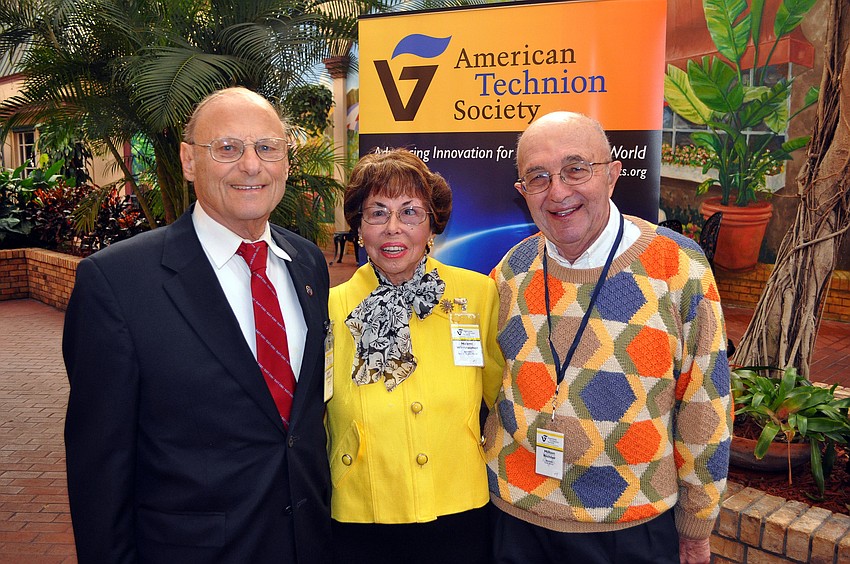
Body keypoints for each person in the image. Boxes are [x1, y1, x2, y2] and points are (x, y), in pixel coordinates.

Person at [63, 87, 332, 563]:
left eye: (267, 147)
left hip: (307, 543)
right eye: (227, 148)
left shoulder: (307, 263)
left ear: (286, 161)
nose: (252, 166)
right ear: (189, 161)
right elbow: (99, 469)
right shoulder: (117, 282)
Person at [485, 111, 732, 564]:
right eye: (538, 177)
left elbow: (705, 406)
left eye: (576, 169)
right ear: (523, 192)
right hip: (515, 522)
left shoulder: (678, 267)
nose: (558, 191)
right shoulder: (510, 272)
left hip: (632, 530)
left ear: (613, 175)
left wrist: (697, 525)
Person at [325, 148, 503, 564]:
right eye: (377, 213)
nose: (393, 229)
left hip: (458, 504)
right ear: (358, 228)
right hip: (361, 509)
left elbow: (501, 400)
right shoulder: (329, 307)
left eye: (410, 213)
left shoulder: (478, 294)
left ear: (432, 225)